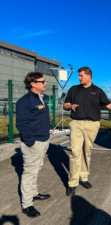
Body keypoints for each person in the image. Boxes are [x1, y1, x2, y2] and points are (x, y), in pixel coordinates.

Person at [63, 67, 111, 196]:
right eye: (79, 76)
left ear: (89, 76)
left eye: (81, 76)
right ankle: (72, 183)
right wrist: (70, 106)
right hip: (76, 123)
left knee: (86, 151)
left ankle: (83, 177)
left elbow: (108, 104)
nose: (79, 78)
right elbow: (65, 105)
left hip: (92, 125)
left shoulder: (97, 91)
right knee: (74, 152)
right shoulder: (74, 89)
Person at [16, 72, 51, 218]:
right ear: (33, 84)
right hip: (34, 143)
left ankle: (34, 193)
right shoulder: (24, 101)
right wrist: (30, 143)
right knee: (29, 173)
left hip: (43, 140)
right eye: (42, 81)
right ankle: (27, 204)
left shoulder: (40, 98)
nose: (45, 84)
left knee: (37, 168)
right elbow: (22, 124)